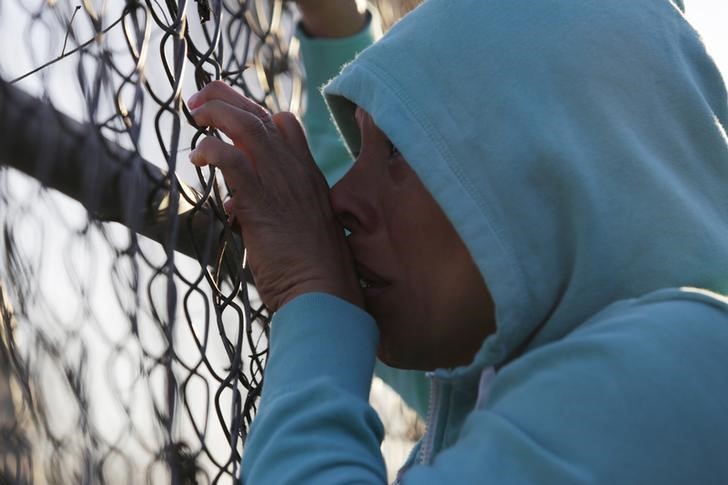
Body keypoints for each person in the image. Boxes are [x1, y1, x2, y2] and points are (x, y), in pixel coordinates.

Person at [187, 0, 728, 482]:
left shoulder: (676, 369)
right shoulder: (512, 375)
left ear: (557, 174)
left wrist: (311, 292)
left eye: (399, 149)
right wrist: (333, 26)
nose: (339, 202)